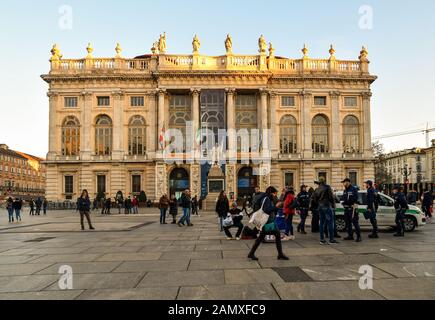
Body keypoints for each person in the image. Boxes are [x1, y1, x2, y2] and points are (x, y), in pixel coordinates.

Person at [248, 186, 289, 261]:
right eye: (275, 193)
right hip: (267, 221)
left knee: (263, 237)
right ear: (271, 193)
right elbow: (266, 210)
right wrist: (276, 207)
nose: (275, 195)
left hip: (268, 221)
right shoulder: (266, 198)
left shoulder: (265, 197)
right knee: (274, 234)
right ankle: (280, 254)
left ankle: (251, 253)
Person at [311, 177, 339, 245]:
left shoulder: (317, 189)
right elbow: (331, 197)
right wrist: (333, 205)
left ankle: (322, 239)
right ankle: (331, 239)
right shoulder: (327, 187)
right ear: (324, 181)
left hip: (320, 207)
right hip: (327, 206)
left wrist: (318, 204)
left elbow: (314, 199)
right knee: (330, 222)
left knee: (321, 223)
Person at [341, 178, 361, 242]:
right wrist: (343, 202)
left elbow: (355, 199)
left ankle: (358, 236)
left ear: (348, 182)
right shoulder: (345, 190)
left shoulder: (353, 189)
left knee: (355, 223)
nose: (343, 184)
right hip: (346, 209)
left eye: (344, 182)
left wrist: (346, 202)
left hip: (352, 209)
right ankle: (350, 235)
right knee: (348, 223)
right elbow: (343, 198)